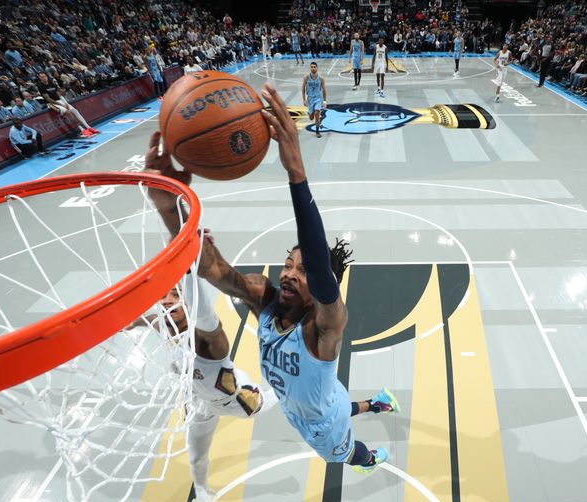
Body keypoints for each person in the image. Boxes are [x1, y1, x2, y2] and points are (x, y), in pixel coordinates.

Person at [146, 82, 400, 479]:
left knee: (345, 454)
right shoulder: (265, 297)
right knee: (332, 397)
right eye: (287, 264)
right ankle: (377, 402)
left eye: (301, 271)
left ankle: (371, 458)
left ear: (318, 288)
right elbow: (212, 269)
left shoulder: (324, 327)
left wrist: (296, 172)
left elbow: (321, 274)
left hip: (322, 425)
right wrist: (169, 206)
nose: (288, 273)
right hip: (305, 402)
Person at [128, 261, 278, 502]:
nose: (168, 301)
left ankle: (284, 386)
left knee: (273, 401)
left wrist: (188, 272)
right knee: (196, 456)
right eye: (164, 296)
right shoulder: (163, 324)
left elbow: (208, 319)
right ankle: (204, 496)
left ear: (189, 301)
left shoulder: (209, 341)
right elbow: (146, 319)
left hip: (236, 399)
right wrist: (125, 321)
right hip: (200, 403)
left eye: (177, 295)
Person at [37, 72, 99, 137]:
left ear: (46, 76)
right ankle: (82, 130)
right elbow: (48, 99)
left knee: (75, 111)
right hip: (52, 103)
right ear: (40, 78)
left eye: (44, 76)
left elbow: (59, 94)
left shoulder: (51, 82)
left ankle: (88, 127)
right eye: (42, 77)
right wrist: (60, 104)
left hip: (60, 100)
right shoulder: (41, 87)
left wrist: (65, 103)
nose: (44, 78)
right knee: (68, 113)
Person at [303, 62, 326, 138]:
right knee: (311, 118)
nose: (313, 68)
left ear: (317, 68)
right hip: (310, 98)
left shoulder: (321, 78)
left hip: (318, 98)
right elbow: (303, 89)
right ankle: (310, 113)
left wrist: (325, 101)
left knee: (317, 114)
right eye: (312, 67)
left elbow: (324, 90)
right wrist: (304, 99)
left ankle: (317, 131)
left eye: (314, 67)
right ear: (310, 68)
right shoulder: (306, 77)